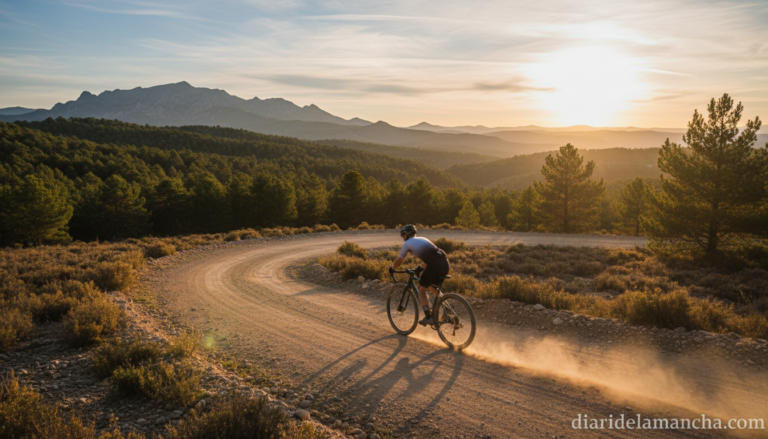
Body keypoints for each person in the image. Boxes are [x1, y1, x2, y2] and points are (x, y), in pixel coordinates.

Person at [388, 224, 450, 326]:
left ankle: (429, 317)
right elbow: (433, 255)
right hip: (444, 262)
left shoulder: (407, 243)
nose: (403, 238)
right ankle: (447, 311)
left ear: (406, 235)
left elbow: (400, 260)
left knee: (421, 288)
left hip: (434, 263)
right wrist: (421, 267)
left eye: (403, 236)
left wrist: (392, 268)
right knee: (432, 287)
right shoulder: (423, 239)